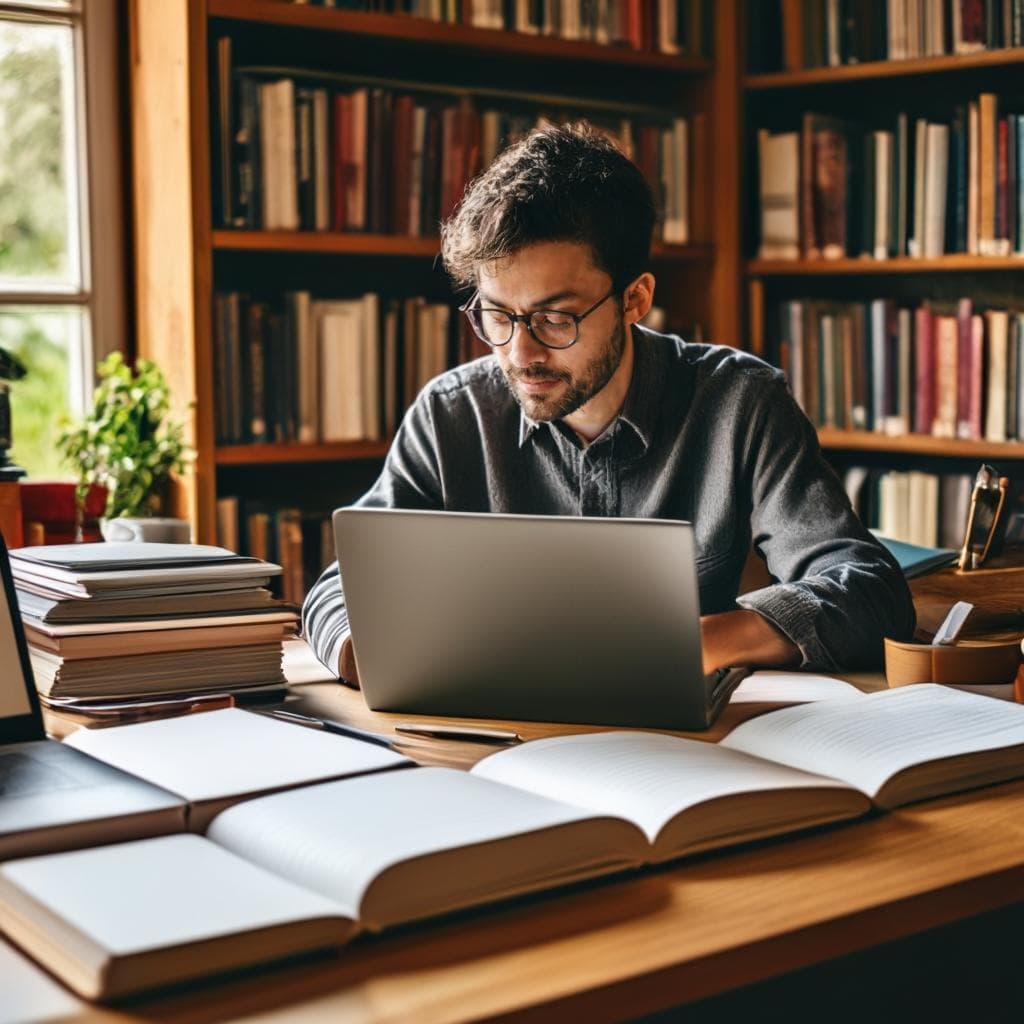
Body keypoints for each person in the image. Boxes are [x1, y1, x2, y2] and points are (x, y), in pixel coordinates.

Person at [303, 123, 914, 685]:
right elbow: (339, 591)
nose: (520, 354)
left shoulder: (738, 403)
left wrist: (697, 643)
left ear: (635, 299)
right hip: (493, 745)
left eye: (556, 317)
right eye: (496, 314)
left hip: (685, 751)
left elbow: (870, 593)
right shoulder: (450, 416)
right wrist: (366, 650)